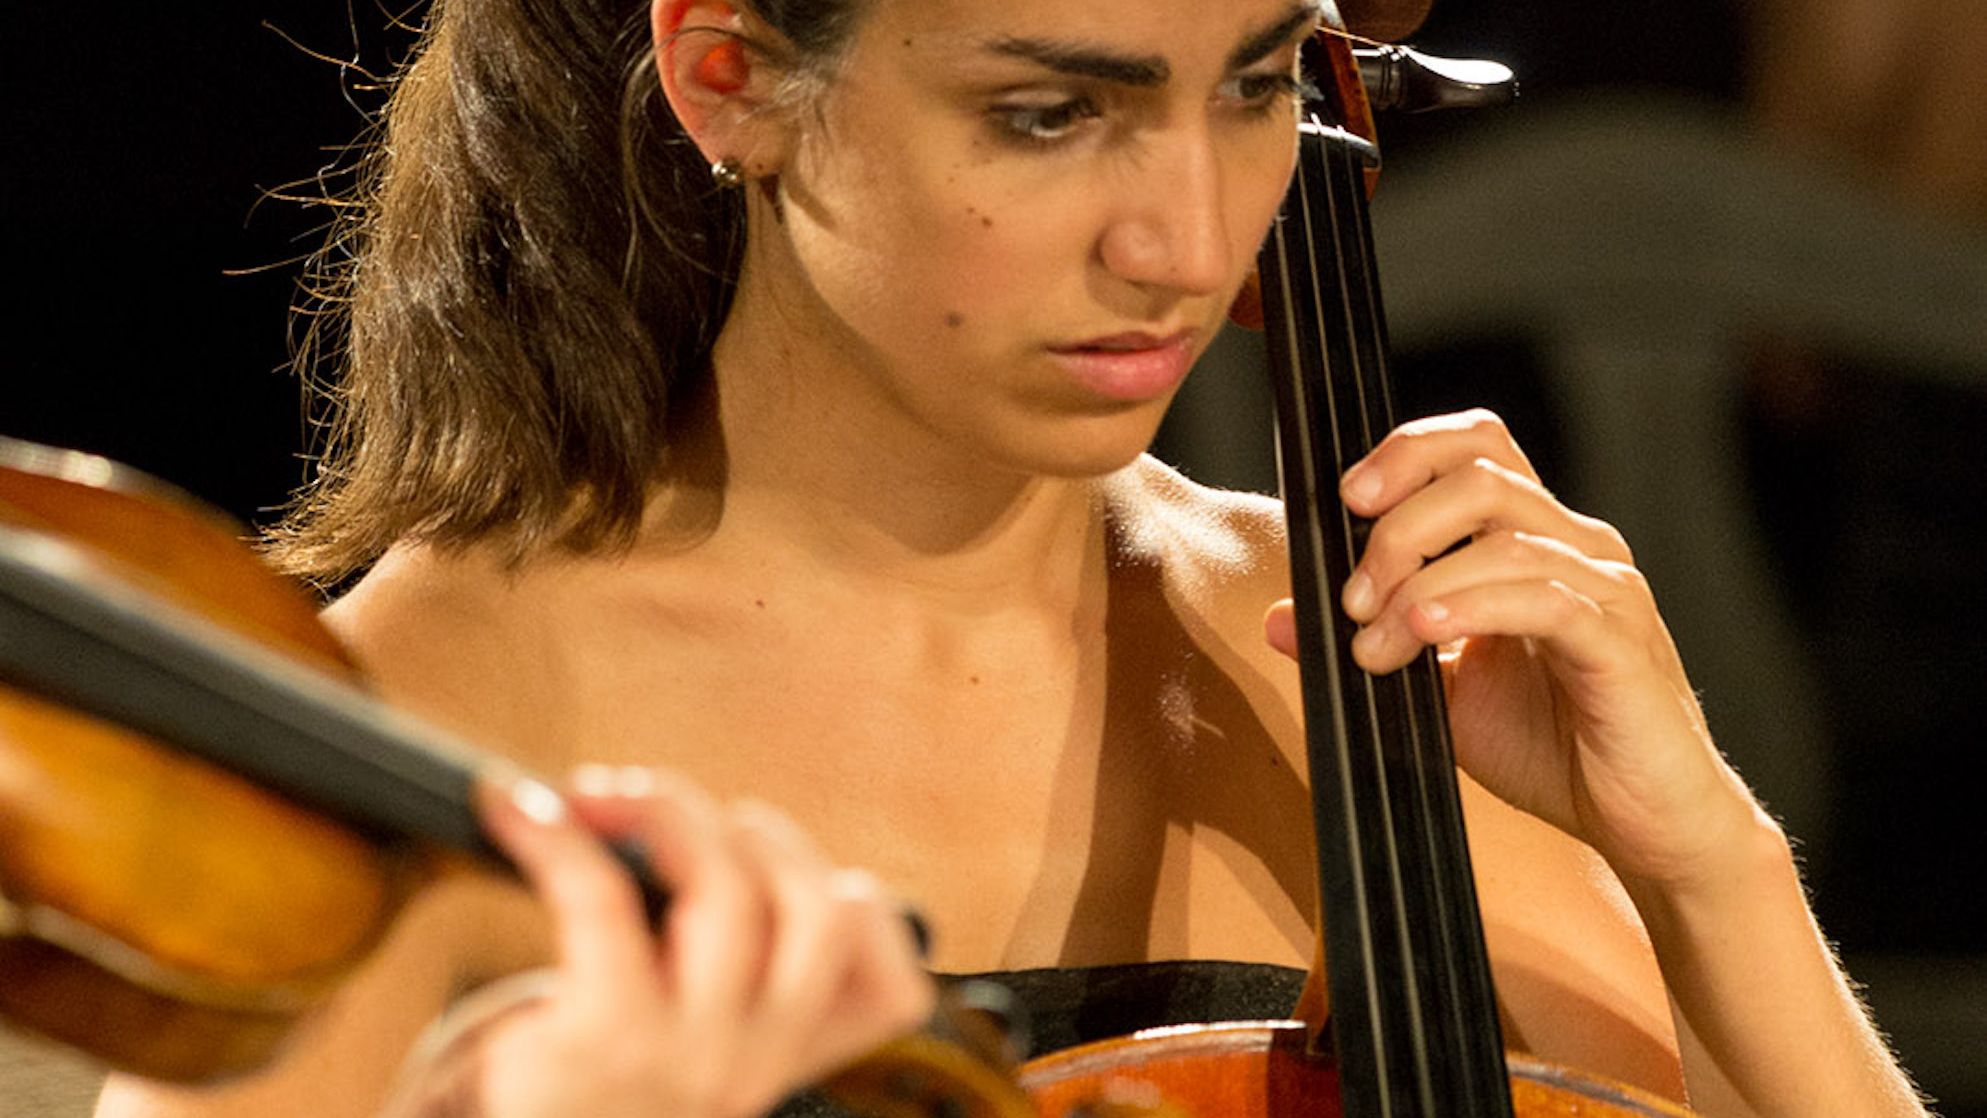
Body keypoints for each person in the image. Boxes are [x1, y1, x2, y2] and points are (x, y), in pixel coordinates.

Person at [95, 0, 1929, 1115]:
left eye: (1253, 86)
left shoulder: (1390, 655)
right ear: (729, 81)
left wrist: (1707, 852)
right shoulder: (418, 712)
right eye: (1052, 114)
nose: (1190, 238)